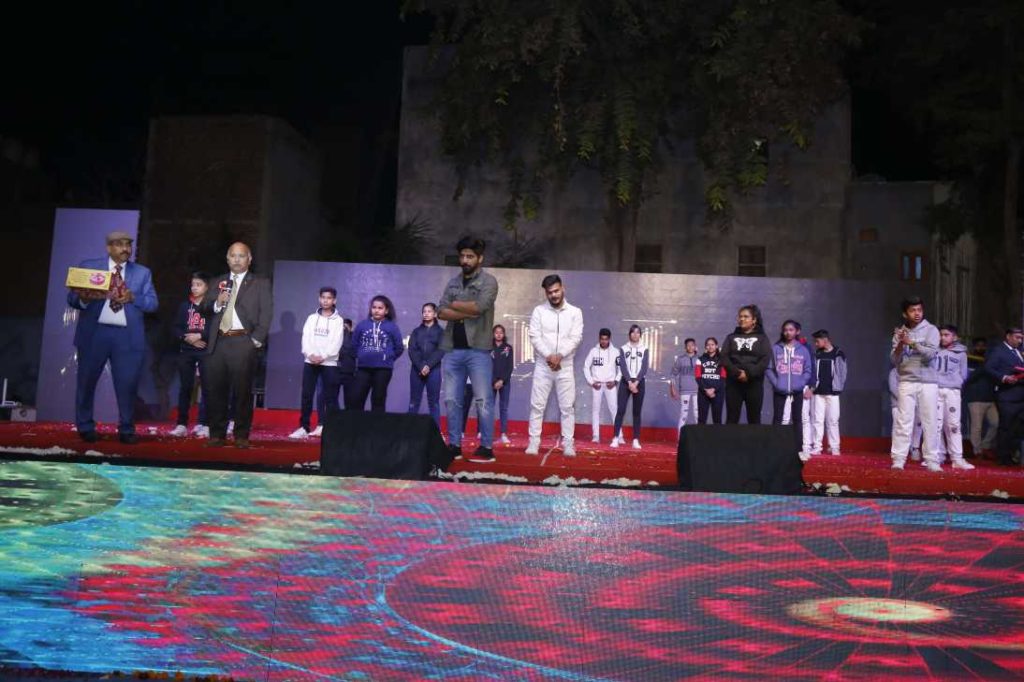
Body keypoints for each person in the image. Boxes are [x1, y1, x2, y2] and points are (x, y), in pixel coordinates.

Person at [67, 231, 159, 444]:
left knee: (127, 386)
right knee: (86, 382)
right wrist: (84, 299)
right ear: (109, 248)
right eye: (119, 244)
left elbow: (153, 304)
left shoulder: (142, 273)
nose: (125, 249)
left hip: (127, 337)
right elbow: (72, 299)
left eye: (128, 244)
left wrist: (133, 297)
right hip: (94, 334)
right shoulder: (89, 267)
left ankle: (126, 429)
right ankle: (85, 426)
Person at [202, 242, 273, 449]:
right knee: (216, 390)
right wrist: (217, 302)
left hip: (243, 341)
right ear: (227, 259)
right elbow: (204, 307)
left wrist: (255, 340)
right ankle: (217, 434)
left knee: (242, 392)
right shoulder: (217, 282)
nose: (237, 259)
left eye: (241, 256)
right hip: (219, 342)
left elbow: (266, 313)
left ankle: (241, 435)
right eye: (233, 256)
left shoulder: (260, 283)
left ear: (249, 259)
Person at [437, 236, 500, 463]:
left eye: (470, 256)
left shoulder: (489, 281)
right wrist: (466, 310)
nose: (465, 260)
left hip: (478, 351)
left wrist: (454, 305)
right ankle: (454, 445)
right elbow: (440, 311)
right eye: (462, 256)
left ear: (479, 258)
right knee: (452, 400)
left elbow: (480, 307)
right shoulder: (453, 282)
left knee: (483, 400)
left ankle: (486, 448)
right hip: (453, 350)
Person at [525, 275, 584, 456]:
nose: (554, 295)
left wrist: (560, 355)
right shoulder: (539, 311)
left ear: (562, 288)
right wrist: (549, 356)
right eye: (550, 292)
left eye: (556, 291)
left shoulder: (575, 312)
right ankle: (533, 442)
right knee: (537, 406)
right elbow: (534, 336)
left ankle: (568, 444)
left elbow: (576, 337)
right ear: (546, 293)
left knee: (567, 408)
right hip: (543, 365)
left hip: (565, 365)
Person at [890, 296, 941, 471]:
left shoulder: (931, 330)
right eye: (912, 310)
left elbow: (930, 354)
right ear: (905, 314)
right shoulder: (900, 332)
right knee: (903, 421)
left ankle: (932, 459)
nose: (917, 313)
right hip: (906, 380)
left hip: (928, 382)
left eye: (919, 310)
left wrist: (911, 343)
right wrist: (900, 344)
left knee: (930, 421)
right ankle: (898, 459)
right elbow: (894, 360)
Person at [289, 287, 345, 439]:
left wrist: (323, 356)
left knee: (330, 397)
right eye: (323, 297)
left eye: (329, 298)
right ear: (319, 299)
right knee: (307, 395)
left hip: (329, 363)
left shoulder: (338, 321)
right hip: (310, 361)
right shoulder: (311, 318)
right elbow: (306, 338)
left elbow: (337, 342)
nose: (325, 301)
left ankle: (331, 428)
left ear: (334, 300)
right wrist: (310, 354)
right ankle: (304, 427)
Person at [169, 271, 211, 438]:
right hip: (187, 350)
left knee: (207, 388)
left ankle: (206, 424)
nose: (194, 288)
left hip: (205, 351)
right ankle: (181, 424)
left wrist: (201, 336)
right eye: (193, 284)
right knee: (185, 387)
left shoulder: (212, 306)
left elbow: (216, 328)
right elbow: (176, 327)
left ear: (207, 287)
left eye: (198, 285)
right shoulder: (185, 306)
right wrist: (186, 338)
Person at [348, 295, 404, 412]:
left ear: (386, 310)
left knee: (378, 399)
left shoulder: (392, 327)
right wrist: (361, 356)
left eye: (380, 308)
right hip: (363, 368)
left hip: (383, 369)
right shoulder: (362, 325)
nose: (376, 310)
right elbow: (353, 345)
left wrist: (388, 357)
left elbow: (399, 347)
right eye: (374, 307)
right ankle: (355, 424)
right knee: (357, 399)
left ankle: (377, 424)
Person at [766, 320, 813, 453]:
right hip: (780, 391)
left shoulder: (803, 350)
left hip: (797, 391)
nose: (788, 332)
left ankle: (798, 450)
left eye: (791, 330)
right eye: (785, 330)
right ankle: (776, 449)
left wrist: (801, 383)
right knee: (777, 419)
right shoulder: (776, 349)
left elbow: (808, 370)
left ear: (797, 331)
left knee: (797, 420)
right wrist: (777, 383)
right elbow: (768, 368)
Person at [721, 305, 771, 424]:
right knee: (731, 418)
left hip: (754, 383)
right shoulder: (731, 337)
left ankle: (754, 438)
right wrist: (737, 373)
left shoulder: (762, 338)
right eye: (740, 316)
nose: (742, 319)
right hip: (734, 383)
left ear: (754, 320)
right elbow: (724, 357)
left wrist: (748, 374)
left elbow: (765, 360)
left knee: (754, 419)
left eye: (746, 316)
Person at [984, 325, 1024, 466]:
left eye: (1021, 338)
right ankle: (1003, 456)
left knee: (1017, 428)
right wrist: (1004, 377)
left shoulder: (1019, 351)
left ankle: (1012, 454)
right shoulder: (998, 351)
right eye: (1017, 337)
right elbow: (988, 368)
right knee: (1006, 426)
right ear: (1008, 336)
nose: (1020, 340)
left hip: (1020, 395)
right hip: (1007, 395)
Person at [934, 324, 973, 469]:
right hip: (935, 390)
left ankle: (957, 458)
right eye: (941, 335)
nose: (943, 338)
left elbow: (964, 373)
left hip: (952, 391)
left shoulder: (961, 353)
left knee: (954, 425)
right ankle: (937, 456)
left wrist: (957, 383)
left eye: (946, 335)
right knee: (936, 425)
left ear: (954, 337)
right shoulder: (933, 350)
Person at [807, 330, 847, 457]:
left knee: (833, 420)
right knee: (817, 420)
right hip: (818, 393)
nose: (816, 344)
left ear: (825, 340)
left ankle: (834, 447)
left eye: (817, 341)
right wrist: (813, 387)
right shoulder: (817, 354)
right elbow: (813, 372)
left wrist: (838, 387)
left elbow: (842, 372)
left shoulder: (838, 353)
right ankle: (817, 447)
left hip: (832, 393)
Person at [407, 302, 445, 427]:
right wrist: (421, 366)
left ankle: (435, 433)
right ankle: (408, 432)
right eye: (424, 311)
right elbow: (412, 350)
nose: (426, 314)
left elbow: (441, 350)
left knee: (434, 403)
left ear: (435, 314)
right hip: (416, 370)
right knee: (414, 401)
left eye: (429, 311)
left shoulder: (441, 332)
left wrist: (428, 365)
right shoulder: (416, 331)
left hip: (434, 370)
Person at [612, 324, 649, 449]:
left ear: (640, 335)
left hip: (639, 382)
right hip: (625, 382)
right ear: (629, 334)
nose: (635, 334)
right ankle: (615, 438)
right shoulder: (623, 348)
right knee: (621, 410)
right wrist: (629, 382)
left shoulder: (644, 349)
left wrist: (636, 382)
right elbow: (622, 366)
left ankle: (635, 440)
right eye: (633, 332)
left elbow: (644, 367)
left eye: (638, 332)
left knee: (636, 412)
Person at [582, 328, 620, 443]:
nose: (604, 341)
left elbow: (621, 368)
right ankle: (596, 435)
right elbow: (585, 367)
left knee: (614, 410)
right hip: (597, 385)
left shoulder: (615, 352)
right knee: (595, 410)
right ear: (599, 338)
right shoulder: (593, 351)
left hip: (610, 385)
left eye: (606, 339)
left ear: (609, 339)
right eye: (602, 339)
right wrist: (591, 382)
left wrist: (615, 381)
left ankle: (619, 436)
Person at [964, 336, 998, 459]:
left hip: (990, 398)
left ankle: (985, 445)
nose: (981, 348)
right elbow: (968, 379)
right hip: (975, 399)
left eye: (983, 346)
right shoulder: (969, 360)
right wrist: (984, 366)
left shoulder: (990, 361)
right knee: (976, 428)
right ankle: (977, 451)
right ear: (974, 347)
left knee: (996, 423)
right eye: (978, 345)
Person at [669, 338, 700, 433]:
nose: (690, 347)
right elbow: (673, 374)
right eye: (688, 345)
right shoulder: (680, 359)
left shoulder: (700, 359)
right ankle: (680, 438)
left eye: (692, 345)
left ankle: (700, 437)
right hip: (685, 390)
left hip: (697, 391)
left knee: (697, 414)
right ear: (685, 347)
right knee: (683, 414)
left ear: (695, 346)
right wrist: (672, 388)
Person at [490, 325, 514, 444]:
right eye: (496, 332)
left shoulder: (508, 348)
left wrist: (502, 381)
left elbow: (510, 367)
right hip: (491, 382)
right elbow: (487, 366)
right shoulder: (489, 348)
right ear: (493, 334)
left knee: (503, 408)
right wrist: (494, 381)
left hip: (505, 382)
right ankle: (488, 433)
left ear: (504, 334)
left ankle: (503, 433)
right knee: (489, 407)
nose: (498, 334)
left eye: (501, 332)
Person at [695, 337, 726, 424]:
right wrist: (705, 389)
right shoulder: (700, 359)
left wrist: (714, 389)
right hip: (703, 392)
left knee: (717, 419)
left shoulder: (722, 360)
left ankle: (717, 434)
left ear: (716, 346)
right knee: (701, 419)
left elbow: (723, 377)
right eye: (708, 345)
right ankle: (701, 434)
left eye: (712, 344)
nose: (710, 346)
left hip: (718, 392)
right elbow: (698, 377)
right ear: (705, 347)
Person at [338, 318, 356, 406]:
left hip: (349, 371)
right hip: (336, 369)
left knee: (349, 398)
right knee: (332, 397)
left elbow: (351, 350)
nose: (344, 329)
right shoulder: (335, 337)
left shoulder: (354, 337)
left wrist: (350, 333)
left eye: (346, 326)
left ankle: (348, 413)